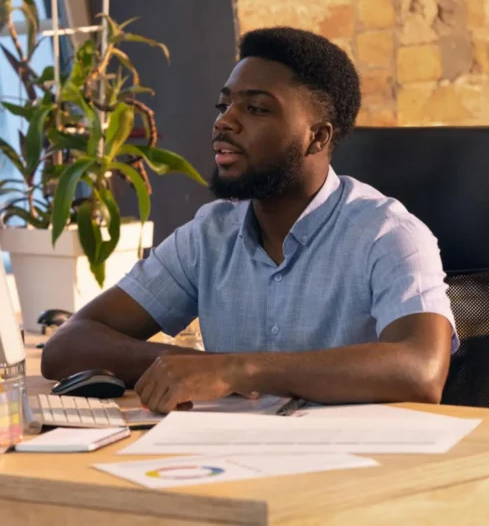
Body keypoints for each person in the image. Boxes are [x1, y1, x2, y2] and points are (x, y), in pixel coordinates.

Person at [41, 26, 458, 413]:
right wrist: (195, 367)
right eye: (224, 105)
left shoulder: (388, 234)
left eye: (256, 108)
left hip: (354, 475)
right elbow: (68, 345)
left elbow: (420, 370)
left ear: (319, 136)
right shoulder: (210, 234)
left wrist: (238, 371)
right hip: (230, 465)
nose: (224, 122)